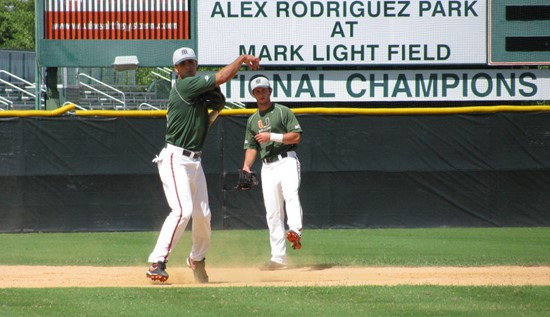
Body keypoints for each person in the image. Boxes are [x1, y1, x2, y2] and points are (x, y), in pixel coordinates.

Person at [146, 47, 260, 283]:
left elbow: (214, 108)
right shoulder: (185, 86)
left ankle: (197, 259)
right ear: (176, 69)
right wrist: (241, 58)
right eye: (183, 63)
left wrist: (217, 104)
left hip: (194, 161)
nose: (188, 66)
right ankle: (157, 262)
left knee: (203, 215)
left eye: (191, 62)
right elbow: (222, 77)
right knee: (181, 211)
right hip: (175, 158)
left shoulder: (195, 94)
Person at [241, 76, 304, 271]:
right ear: (253, 94)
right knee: (273, 212)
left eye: (264, 89)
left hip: (286, 160)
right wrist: (246, 167)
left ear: (270, 90)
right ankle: (278, 258)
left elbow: (296, 136)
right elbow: (252, 148)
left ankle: (295, 230)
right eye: (257, 91)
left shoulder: (282, 111)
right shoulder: (252, 120)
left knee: (291, 195)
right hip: (267, 166)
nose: (261, 93)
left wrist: (271, 136)